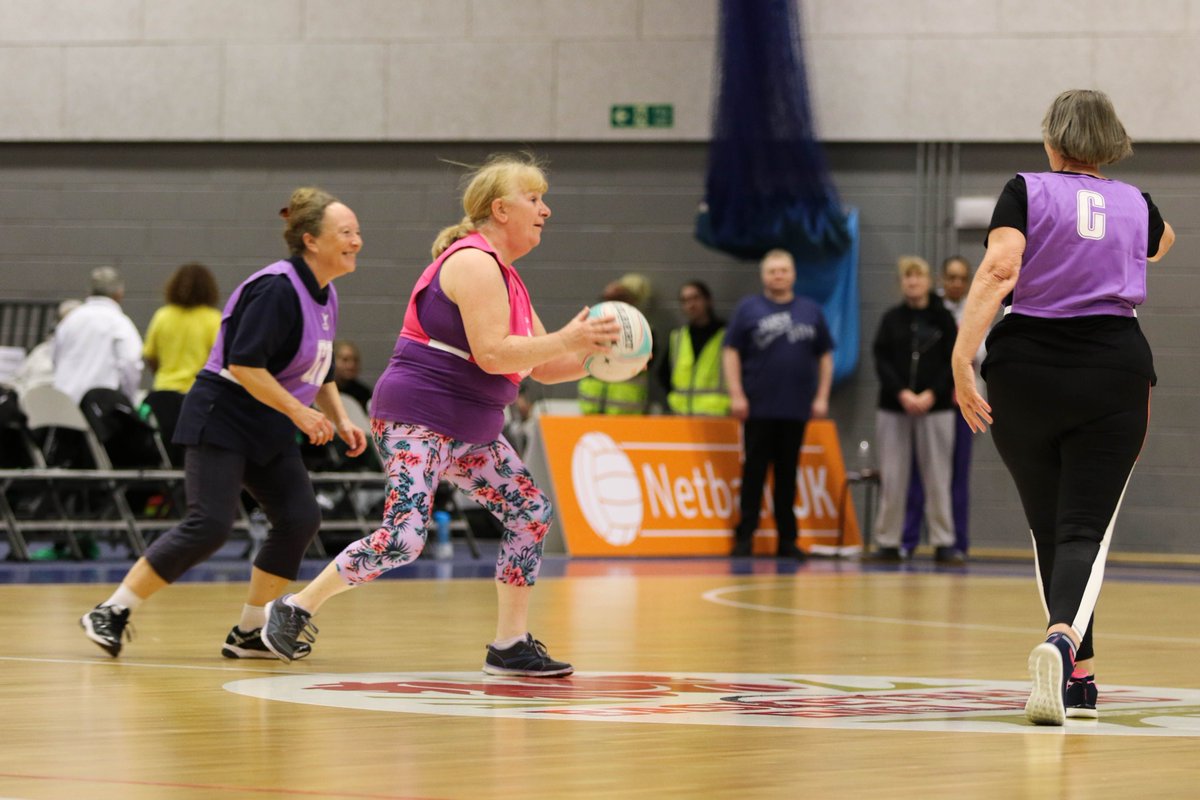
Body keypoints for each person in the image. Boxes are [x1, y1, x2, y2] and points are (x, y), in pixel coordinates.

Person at [260, 153, 619, 677]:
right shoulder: (472, 262)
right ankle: (294, 608)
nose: (546, 210)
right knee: (404, 538)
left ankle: (509, 644)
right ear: (500, 209)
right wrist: (568, 338)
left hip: (470, 430)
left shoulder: (510, 280)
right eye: (535, 199)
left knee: (530, 513)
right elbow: (495, 353)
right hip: (417, 419)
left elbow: (544, 366)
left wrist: (602, 360)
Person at [952, 89, 1174, 726]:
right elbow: (1163, 243)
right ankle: (1060, 642)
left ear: (1052, 139)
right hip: (1112, 370)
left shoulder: (1025, 189)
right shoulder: (1137, 202)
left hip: (1025, 370)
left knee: (1049, 529)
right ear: (1110, 142)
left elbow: (998, 270)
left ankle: (1080, 681)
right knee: (1085, 531)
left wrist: (962, 358)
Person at [79, 187, 368, 659]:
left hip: (268, 421)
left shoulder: (326, 293)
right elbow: (244, 364)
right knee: (210, 522)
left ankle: (250, 630)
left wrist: (340, 417)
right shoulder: (277, 288)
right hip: (225, 415)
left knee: (299, 517)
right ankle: (111, 609)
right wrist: (299, 411)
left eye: (358, 232)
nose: (357, 240)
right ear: (312, 240)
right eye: (346, 232)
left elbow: (321, 366)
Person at [723, 249, 833, 560]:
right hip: (757, 408)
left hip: (795, 408)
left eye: (783, 270)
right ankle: (745, 537)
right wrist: (736, 394)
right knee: (754, 474)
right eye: (772, 271)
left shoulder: (810, 311)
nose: (778, 275)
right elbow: (730, 351)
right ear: (763, 275)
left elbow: (825, 356)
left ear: (793, 274)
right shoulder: (749, 309)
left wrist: (822, 396)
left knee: (788, 476)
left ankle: (788, 540)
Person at [869, 256, 959, 564]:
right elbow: (881, 360)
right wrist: (902, 393)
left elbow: (954, 359)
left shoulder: (943, 319)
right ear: (901, 283)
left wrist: (933, 392)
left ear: (928, 281)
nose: (913, 283)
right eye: (907, 278)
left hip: (937, 408)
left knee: (938, 476)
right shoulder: (891, 319)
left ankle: (944, 541)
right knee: (893, 476)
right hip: (894, 408)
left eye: (918, 277)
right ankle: (888, 540)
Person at [901, 255, 977, 558]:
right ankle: (907, 540)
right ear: (941, 280)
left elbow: (977, 354)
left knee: (957, 475)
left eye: (962, 278)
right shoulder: (930, 311)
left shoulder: (979, 308)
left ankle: (956, 543)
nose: (956, 283)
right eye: (951, 277)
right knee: (919, 474)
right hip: (934, 401)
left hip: (964, 404)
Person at [53, 267, 143, 404]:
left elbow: (56, 358)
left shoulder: (70, 320)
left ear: (89, 292)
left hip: (64, 403)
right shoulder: (120, 323)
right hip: (99, 407)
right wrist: (129, 398)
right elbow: (131, 363)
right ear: (119, 293)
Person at [143, 262, 221, 394]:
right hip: (197, 391)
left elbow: (150, 356)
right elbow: (218, 359)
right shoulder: (213, 319)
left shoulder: (162, 315)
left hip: (163, 389)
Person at [577, 280, 651, 414]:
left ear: (630, 301)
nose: (611, 304)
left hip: (625, 414)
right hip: (591, 411)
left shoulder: (643, 333)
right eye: (606, 299)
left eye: (617, 299)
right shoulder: (590, 328)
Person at [658, 280, 730, 416]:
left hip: (717, 415)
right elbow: (664, 373)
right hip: (681, 415)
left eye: (695, 298)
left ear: (708, 301)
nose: (691, 305)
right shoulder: (678, 337)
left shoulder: (727, 335)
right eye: (685, 301)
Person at [5, 298, 80, 396]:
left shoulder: (82, 354)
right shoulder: (42, 350)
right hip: (26, 395)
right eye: (62, 320)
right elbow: (19, 377)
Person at [333, 339, 374, 410]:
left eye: (355, 360)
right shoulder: (321, 391)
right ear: (332, 361)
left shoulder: (363, 393)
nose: (351, 365)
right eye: (345, 360)